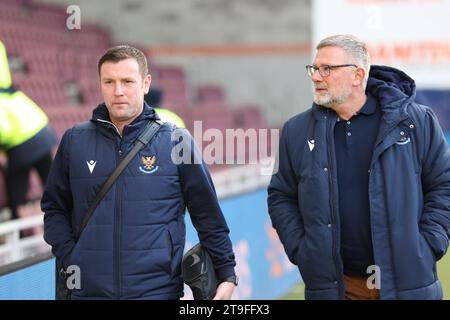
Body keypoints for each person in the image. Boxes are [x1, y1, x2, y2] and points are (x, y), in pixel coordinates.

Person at [41, 45, 237, 300]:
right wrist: (72, 257)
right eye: (109, 81)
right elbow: (54, 208)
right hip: (88, 292)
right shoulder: (74, 140)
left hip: (157, 291)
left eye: (127, 81)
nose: (118, 91)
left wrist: (227, 274)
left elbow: (207, 214)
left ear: (145, 84)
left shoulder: (177, 141)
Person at [267, 34, 450, 300]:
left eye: (327, 69)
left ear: (357, 75)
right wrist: (303, 249)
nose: (317, 77)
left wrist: (429, 242)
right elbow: (281, 195)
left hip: (408, 281)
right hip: (338, 287)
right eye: (314, 69)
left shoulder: (416, 122)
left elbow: (443, 184)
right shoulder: (296, 131)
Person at [0, 40, 57, 222]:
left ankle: (21, 238)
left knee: (17, 197)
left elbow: (5, 130)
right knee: (54, 188)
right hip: (38, 128)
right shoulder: (7, 89)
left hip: (22, 142)